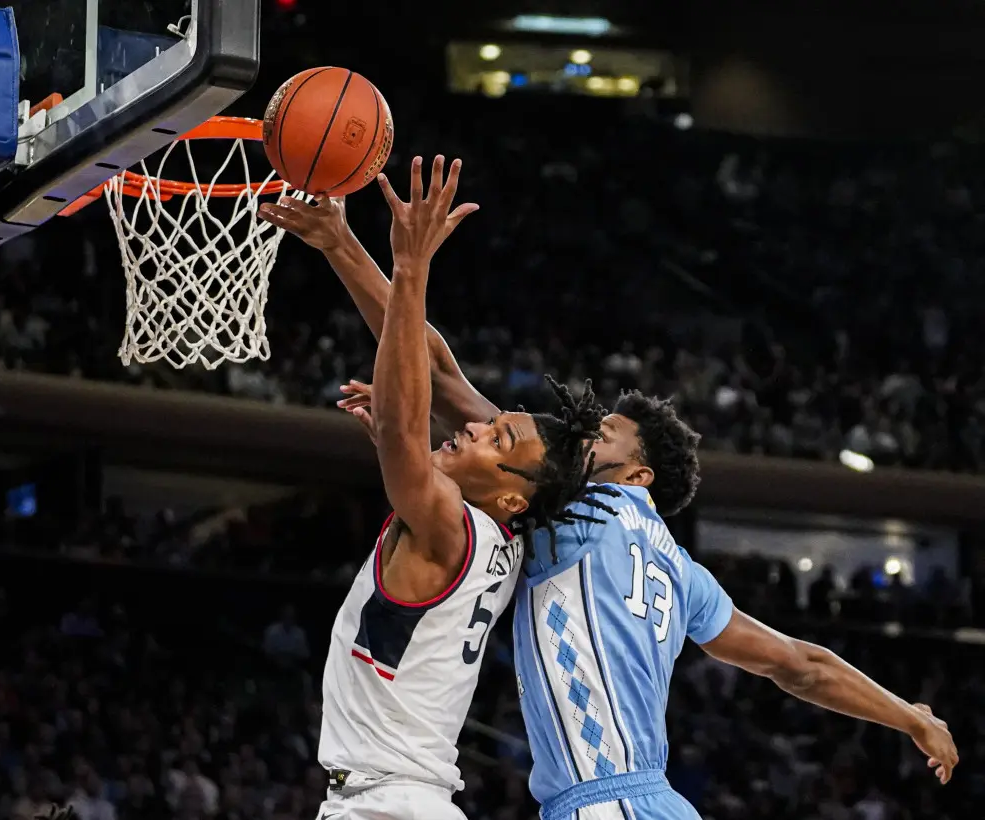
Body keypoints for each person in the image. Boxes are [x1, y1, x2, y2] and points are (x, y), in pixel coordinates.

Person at [259, 185, 959, 819]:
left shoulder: (575, 508)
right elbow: (797, 665)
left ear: (638, 476)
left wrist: (353, 252)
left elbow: (435, 384)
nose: (583, 435)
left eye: (603, 436)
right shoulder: (682, 575)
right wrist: (909, 716)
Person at [309, 156, 611, 820]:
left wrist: (412, 265)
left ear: (512, 496)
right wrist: (340, 243)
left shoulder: (451, 524)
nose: (475, 429)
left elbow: (400, 423)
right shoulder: (496, 532)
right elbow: (435, 374)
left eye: (496, 440)